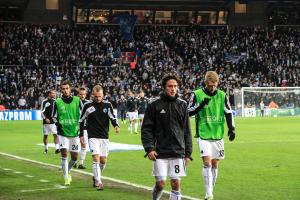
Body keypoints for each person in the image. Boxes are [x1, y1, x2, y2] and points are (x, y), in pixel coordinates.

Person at [141, 73, 193, 200]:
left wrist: (188, 153)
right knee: (161, 184)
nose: (173, 89)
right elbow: (146, 129)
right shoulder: (154, 105)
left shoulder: (182, 104)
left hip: (177, 151)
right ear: (164, 87)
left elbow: (186, 130)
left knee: (175, 183)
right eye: (170, 86)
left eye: (175, 86)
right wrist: (149, 148)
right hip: (160, 152)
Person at [188, 71, 235, 200]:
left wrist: (232, 129)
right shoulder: (196, 94)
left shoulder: (222, 95)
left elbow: (228, 112)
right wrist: (201, 104)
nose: (212, 88)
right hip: (203, 134)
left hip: (218, 135)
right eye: (209, 86)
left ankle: (210, 191)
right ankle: (209, 194)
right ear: (205, 83)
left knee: (215, 165)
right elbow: (188, 112)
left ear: (217, 83)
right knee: (207, 163)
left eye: (214, 85)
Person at [79, 85, 120, 190]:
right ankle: (99, 182)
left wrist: (116, 125)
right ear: (93, 95)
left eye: (100, 96)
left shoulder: (107, 105)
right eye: (96, 96)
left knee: (103, 160)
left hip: (104, 136)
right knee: (96, 158)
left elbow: (112, 117)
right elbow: (81, 120)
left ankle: (96, 177)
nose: (98, 98)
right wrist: (81, 135)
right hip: (92, 136)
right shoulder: (87, 106)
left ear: (103, 95)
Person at [53, 81, 81, 186]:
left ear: (70, 89)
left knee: (74, 158)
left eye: (67, 88)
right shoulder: (57, 102)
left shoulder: (77, 100)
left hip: (74, 132)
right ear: (61, 90)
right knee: (64, 154)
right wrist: (58, 124)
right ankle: (66, 178)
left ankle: (67, 170)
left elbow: (83, 114)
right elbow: (53, 116)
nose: (65, 90)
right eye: (63, 88)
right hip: (62, 132)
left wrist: (81, 125)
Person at [40, 90, 60, 154]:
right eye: (53, 93)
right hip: (46, 122)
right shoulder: (44, 102)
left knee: (55, 135)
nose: (54, 94)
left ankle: (57, 148)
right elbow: (42, 111)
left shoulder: (55, 101)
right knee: (46, 135)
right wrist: (45, 118)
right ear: (49, 94)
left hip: (53, 122)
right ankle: (46, 149)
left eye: (55, 93)